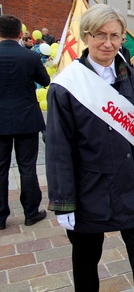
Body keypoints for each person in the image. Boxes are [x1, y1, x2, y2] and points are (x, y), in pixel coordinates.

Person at [45, 4, 134, 291]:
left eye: (115, 35)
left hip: (133, 186)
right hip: (89, 191)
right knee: (85, 263)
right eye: (100, 35)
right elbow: (59, 149)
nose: (108, 43)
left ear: (123, 38)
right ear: (86, 36)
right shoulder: (66, 86)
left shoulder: (132, 77)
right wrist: (63, 202)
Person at [0, 14, 50, 230]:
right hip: (26, 118)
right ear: (21, 34)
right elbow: (45, 81)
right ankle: (31, 212)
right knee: (27, 167)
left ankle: (0, 217)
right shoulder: (29, 56)